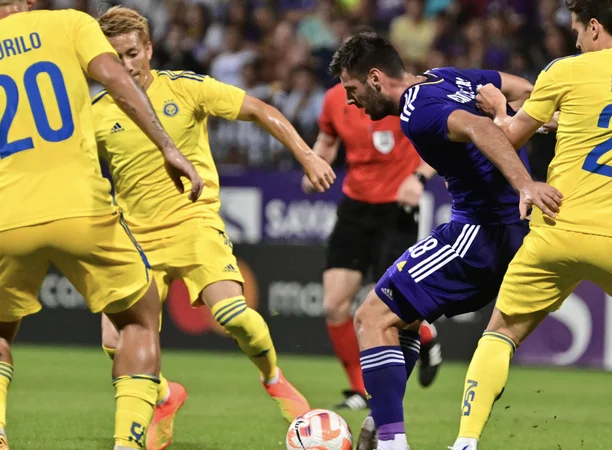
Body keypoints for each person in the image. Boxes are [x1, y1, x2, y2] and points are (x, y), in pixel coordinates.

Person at [451, 1, 612, 449]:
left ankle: (466, 442)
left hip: (557, 229)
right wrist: (556, 123)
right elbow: (603, 126)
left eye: (576, 29)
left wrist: (496, 110)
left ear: (594, 26)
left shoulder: (566, 71)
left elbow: (508, 138)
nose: (574, 39)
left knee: (501, 331)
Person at [92, 7, 335, 449]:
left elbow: (260, 110)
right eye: (115, 57)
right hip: (136, 239)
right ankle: (165, 396)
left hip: (194, 222)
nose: (126, 65)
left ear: (148, 49)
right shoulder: (94, 113)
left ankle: (274, 379)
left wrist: (308, 155)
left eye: (132, 53)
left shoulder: (185, 88)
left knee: (233, 315)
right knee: (113, 341)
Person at [328, 33, 563, 450]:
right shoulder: (447, 78)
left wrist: (525, 183)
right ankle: (379, 424)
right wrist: (525, 116)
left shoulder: (417, 110)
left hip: (479, 234)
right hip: (506, 232)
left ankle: (390, 442)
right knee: (401, 321)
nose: (350, 101)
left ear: (377, 79)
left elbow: (476, 128)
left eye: (352, 89)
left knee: (368, 318)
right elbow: (527, 90)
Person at [0, 2, 204, 450]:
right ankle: (127, 444)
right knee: (137, 321)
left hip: (6, 214)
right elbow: (115, 79)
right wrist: (168, 147)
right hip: (81, 206)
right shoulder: (71, 23)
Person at [304, 32, 442, 410]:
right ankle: (359, 390)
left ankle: (425, 337)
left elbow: (442, 140)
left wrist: (418, 179)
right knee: (334, 303)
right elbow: (327, 141)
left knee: (390, 306)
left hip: (397, 209)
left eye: (352, 82)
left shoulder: (405, 96)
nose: (349, 93)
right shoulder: (336, 100)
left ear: (372, 76)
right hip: (355, 206)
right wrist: (313, 164)